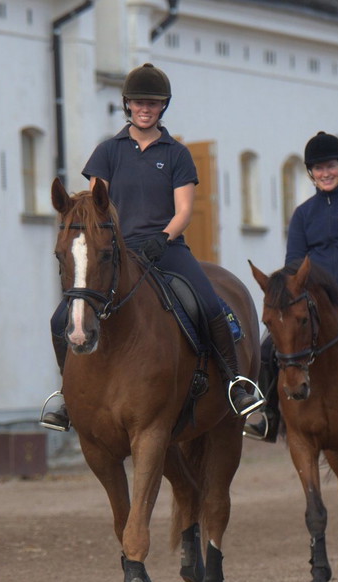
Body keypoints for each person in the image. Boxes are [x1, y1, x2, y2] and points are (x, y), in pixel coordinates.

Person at [41, 62, 263, 431]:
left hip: (166, 248)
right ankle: (67, 396)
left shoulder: (177, 153)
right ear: (127, 104)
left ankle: (236, 384)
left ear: (163, 106)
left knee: (210, 305)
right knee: (60, 318)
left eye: (153, 103)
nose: (145, 109)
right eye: (139, 102)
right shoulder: (107, 151)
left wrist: (163, 237)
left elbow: (185, 210)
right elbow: (98, 206)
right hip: (116, 251)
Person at [243, 131, 338, 442]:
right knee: (269, 346)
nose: (325, 173)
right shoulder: (302, 214)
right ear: (310, 173)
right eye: (318, 168)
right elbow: (294, 264)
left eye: (331, 166)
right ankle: (269, 415)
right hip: (315, 300)